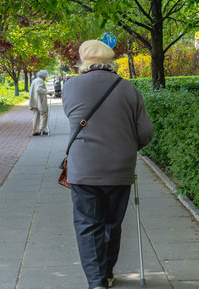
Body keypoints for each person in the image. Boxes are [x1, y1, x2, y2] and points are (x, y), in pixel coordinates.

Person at [62, 40, 154, 289]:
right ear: (111, 61)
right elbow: (145, 132)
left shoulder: (70, 86)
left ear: (83, 61)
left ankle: (97, 282)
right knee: (112, 223)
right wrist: (125, 148)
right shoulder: (129, 88)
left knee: (87, 224)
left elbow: (72, 115)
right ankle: (108, 272)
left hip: (83, 169)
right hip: (120, 168)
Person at [29, 70, 49, 136]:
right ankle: (41, 129)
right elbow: (38, 89)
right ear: (44, 76)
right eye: (46, 76)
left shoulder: (34, 80)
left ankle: (34, 131)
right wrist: (48, 92)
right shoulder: (40, 81)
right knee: (44, 114)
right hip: (39, 101)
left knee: (35, 116)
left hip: (34, 101)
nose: (46, 77)